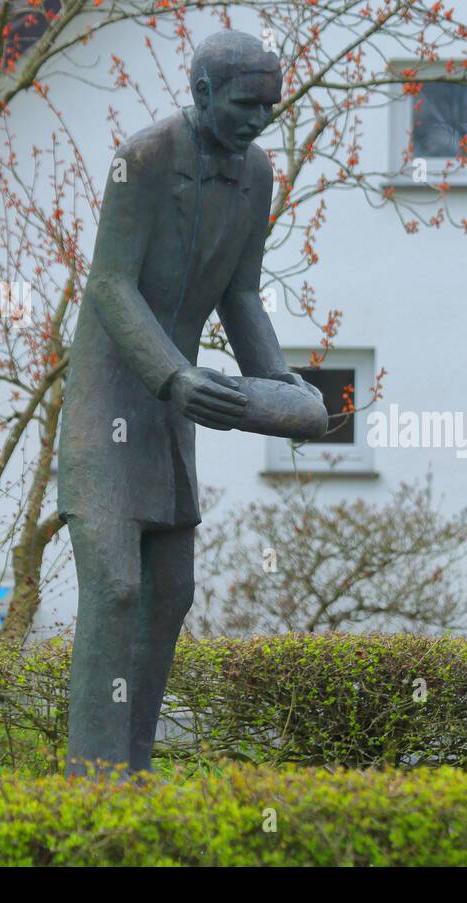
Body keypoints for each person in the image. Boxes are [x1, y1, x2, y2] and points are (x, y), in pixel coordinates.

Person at [57, 32, 317, 776]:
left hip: (173, 411)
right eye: (245, 105)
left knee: (170, 594)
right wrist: (175, 376)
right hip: (111, 400)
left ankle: (131, 773)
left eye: (271, 107)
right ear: (201, 93)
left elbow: (240, 294)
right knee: (114, 584)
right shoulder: (141, 159)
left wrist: (281, 386)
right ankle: (91, 784)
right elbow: (110, 284)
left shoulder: (256, 173)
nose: (259, 120)